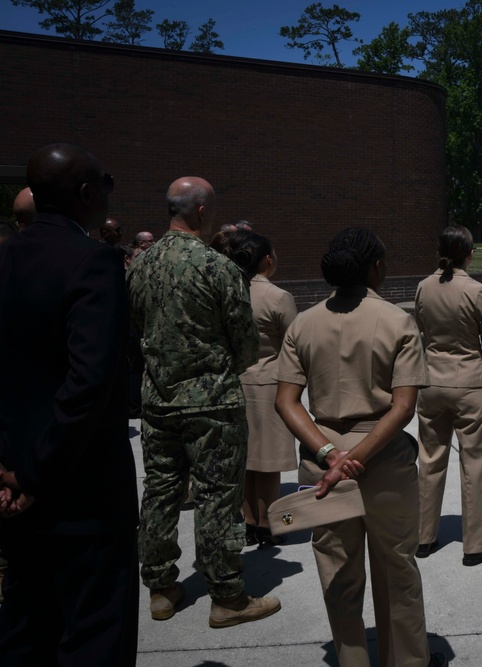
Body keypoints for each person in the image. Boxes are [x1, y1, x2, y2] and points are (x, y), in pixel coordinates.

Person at [275, 227, 447, 667]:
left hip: (324, 464)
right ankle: (407, 660)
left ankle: (352, 660)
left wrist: (330, 456)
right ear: (375, 267)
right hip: (383, 459)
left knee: (339, 575)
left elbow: (286, 402)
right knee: (397, 572)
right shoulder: (396, 320)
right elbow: (403, 406)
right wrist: (353, 459)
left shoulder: (303, 323)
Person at [0, 143, 139, 665]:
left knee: (26, 628)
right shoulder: (94, 263)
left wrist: (7, 468)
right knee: (93, 636)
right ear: (86, 194)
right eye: (104, 184)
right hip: (82, 495)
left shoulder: (4, 258)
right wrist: (34, 475)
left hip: (13, 485)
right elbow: (88, 383)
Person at [127, 176, 280, 628]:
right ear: (200, 212)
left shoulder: (139, 265)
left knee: (159, 491)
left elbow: (138, 327)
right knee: (217, 498)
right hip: (212, 403)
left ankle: (160, 587)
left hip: (157, 399)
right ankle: (227, 597)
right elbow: (246, 345)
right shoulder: (217, 268)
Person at [413, 225, 482, 566]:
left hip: (431, 378)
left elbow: (421, 328)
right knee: (475, 462)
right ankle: (476, 543)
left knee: (430, 459)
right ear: (470, 253)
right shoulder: (476, 290)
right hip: (469, 381)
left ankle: (424, 537)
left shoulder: (423, 287)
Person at [213, 230, 298, 549]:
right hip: (269, 384)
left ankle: (248, 522)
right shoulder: (278, 297)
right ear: (267, 259)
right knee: (270, 465)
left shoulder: (226, 292)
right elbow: (294, 343)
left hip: (234, 382)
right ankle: (275, 524)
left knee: (245, 462)